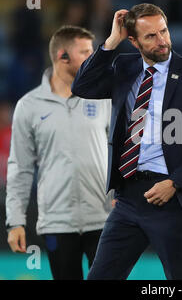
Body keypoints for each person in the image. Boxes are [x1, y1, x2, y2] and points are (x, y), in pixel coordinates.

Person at [71, 3, 182, 280]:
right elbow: (82, 87)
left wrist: (174, 183)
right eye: (151, 36)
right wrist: (111, 42)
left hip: (171, 199)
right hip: (128, 199)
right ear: (133, 40)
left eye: (164, 31)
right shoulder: (124, 67)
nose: (162, 41)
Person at [6, 25, 112, 280]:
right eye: (85, 52)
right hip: (57, 221)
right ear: (62, 56)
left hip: (104, 217)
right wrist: (15, 221)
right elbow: (19, 167)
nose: (92, 58)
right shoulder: (28, 106)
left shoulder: (103, 97)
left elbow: (121, 151)